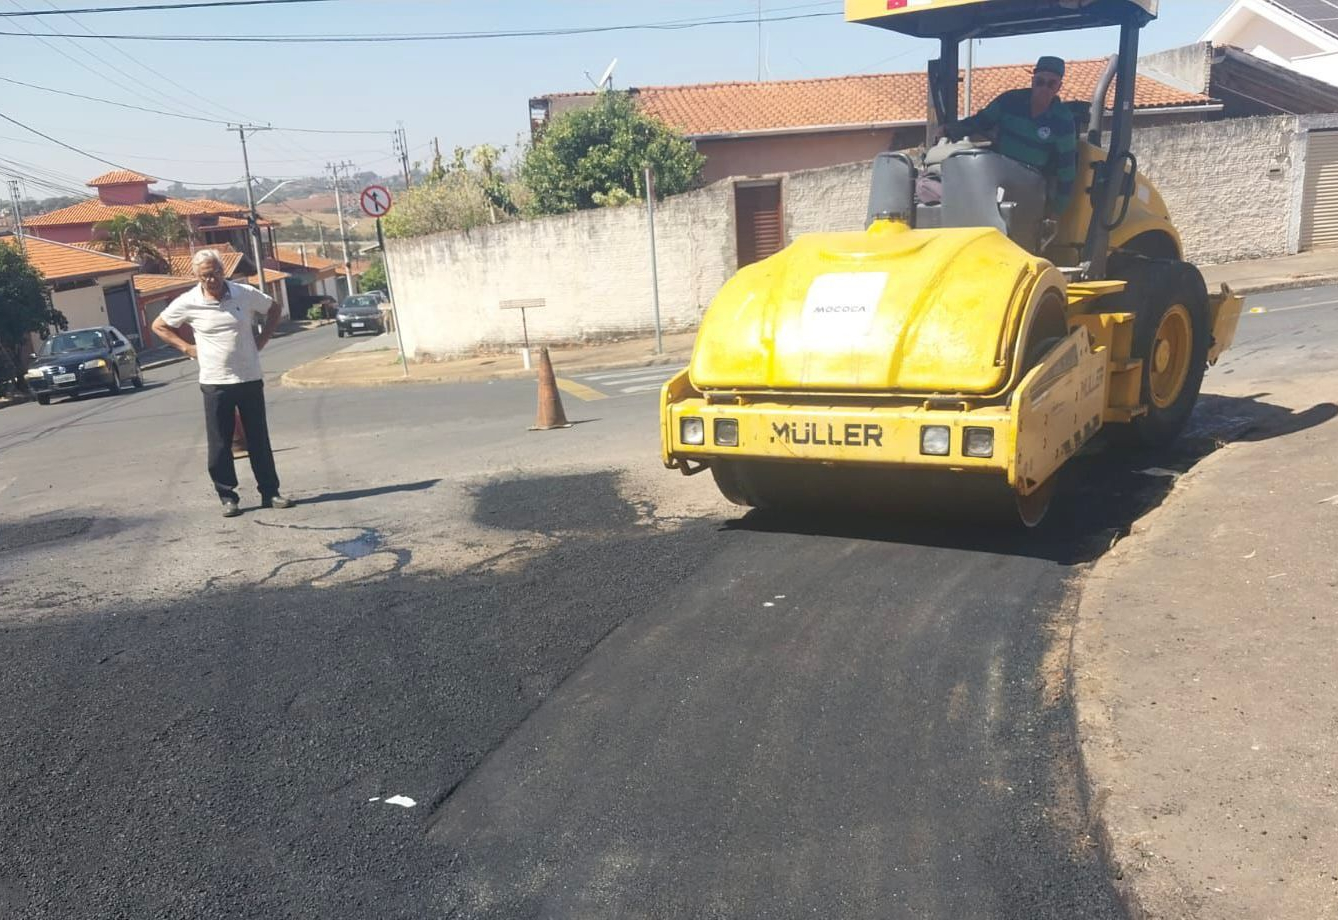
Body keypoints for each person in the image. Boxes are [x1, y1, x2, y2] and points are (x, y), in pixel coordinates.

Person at [151, 249, 295, 518]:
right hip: (215, 381)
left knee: (258, 439)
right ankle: (228, 496)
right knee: (220, 443)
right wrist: (186, 348)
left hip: (249, 377)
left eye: (216, 273)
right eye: (206, 276)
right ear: (197, 276)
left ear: (223, 271)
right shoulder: (188, 301)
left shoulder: (243, 293)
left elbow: (274, 308)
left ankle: (270, 492)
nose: (212, 280)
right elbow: (159, 325)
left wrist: (262, 340)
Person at [940, 55, 1077, 217]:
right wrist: (949, 130)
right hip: (997, 172)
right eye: (1040, 82)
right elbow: (981, 121)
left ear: (1058, 87)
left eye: (1051, 84)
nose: (1044, 88)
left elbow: (1066, 167)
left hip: (1032, 182)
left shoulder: (1063, 119)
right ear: (1033, 81)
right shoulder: (1010, 101)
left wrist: (1058, 210)